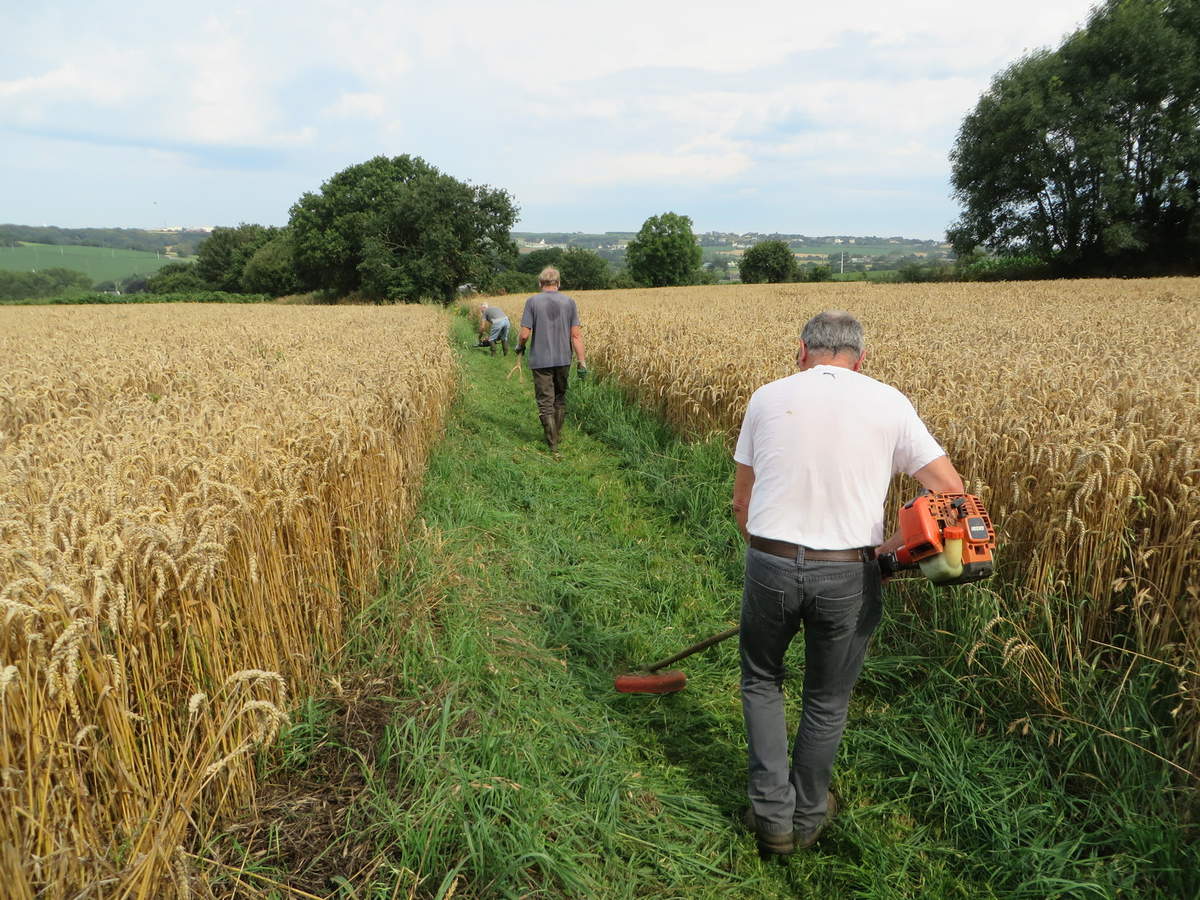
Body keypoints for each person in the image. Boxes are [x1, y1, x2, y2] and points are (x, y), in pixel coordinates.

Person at [732, 309, 964, 857]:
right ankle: (808, 815)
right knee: (827, 699)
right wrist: (891, 552)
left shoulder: (767, 397)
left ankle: (771, 817)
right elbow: (951, 493)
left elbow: (743, 501)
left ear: (801, 351)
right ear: (861, 360)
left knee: (762, 681)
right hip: (850, 572)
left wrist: (769, 555)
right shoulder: (889, 401)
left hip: (770, 561)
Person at [515, 267, 587, 454]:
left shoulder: (532, 302)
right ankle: (557, 435)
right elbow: (576, 336)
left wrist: (520, 347)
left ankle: (552, 443)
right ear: (558, 283)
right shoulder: (569, 302)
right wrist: (582, 362)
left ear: (540, 283)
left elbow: (524, 334)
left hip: (540, 360)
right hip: (563, 359)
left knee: (545, 401)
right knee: (560, 398)